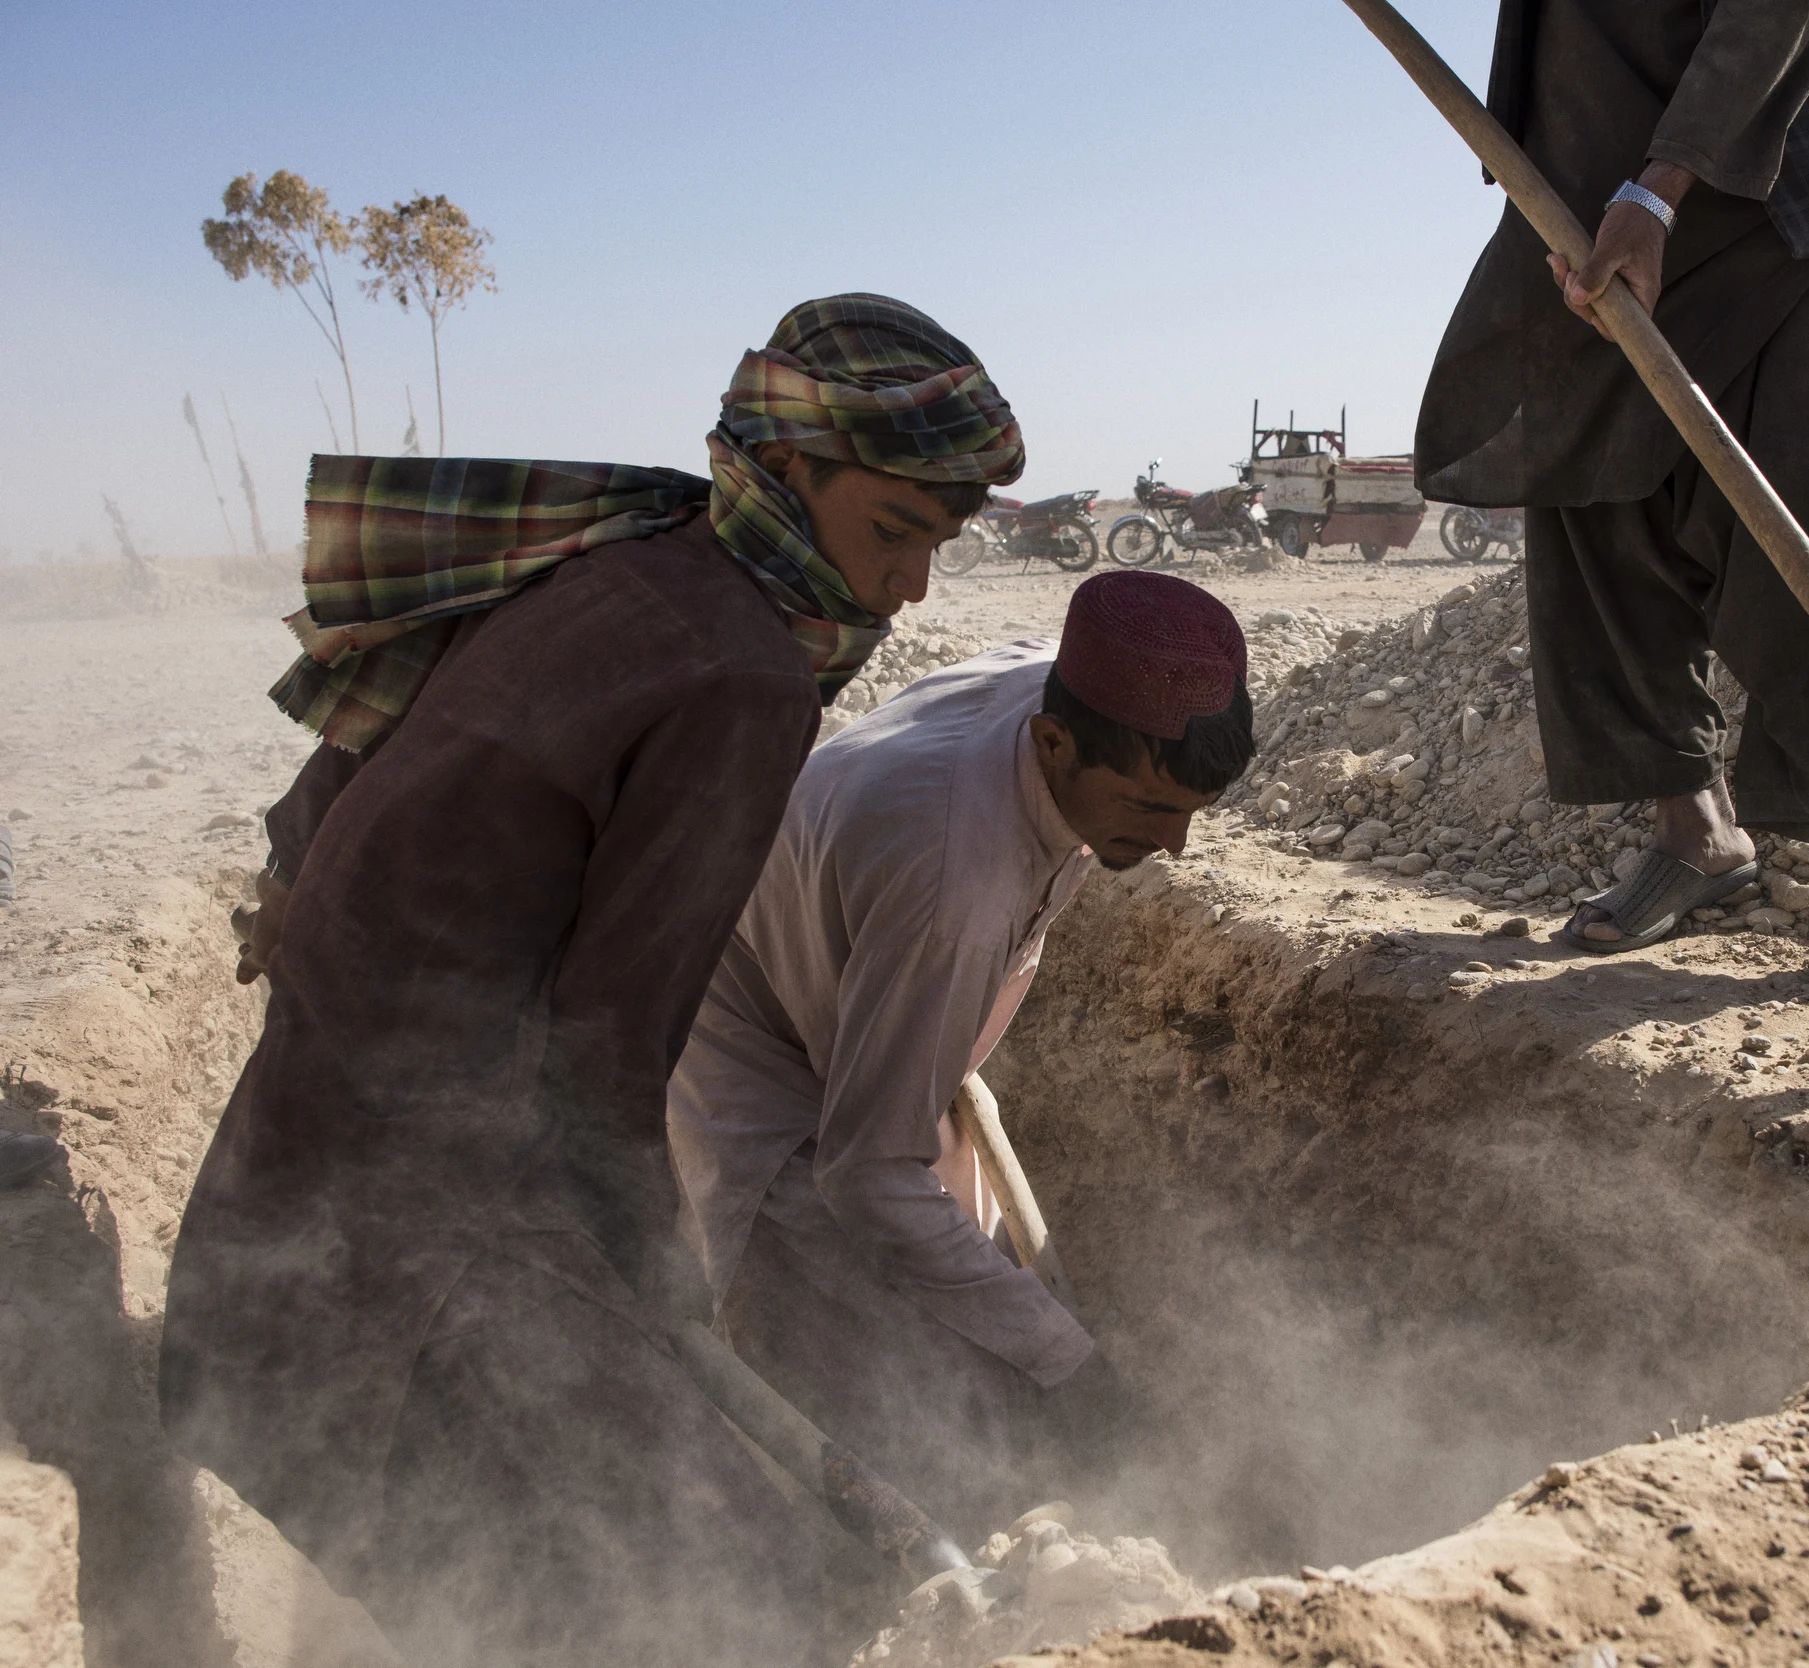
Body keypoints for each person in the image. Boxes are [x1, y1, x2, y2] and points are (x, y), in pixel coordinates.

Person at [159, 294, 1021, 1668]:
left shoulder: (624, 558)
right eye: (895, 531)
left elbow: (345, 775)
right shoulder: (745, 677)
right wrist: (654, 1280)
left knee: (529, 1556)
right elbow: (610, 1051)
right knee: (724, 1584)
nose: (913, 585)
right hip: (444, 1207)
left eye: (940, 543)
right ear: (787, 471)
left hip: (310, 1141)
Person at [666, 570, 1253, 1545]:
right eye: (1150, 807)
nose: (1177, 845)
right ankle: (858, 1581)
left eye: (1193, 809)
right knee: (894, 1395)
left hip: (859, 974)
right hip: (751, 1040)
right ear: (1055, 739)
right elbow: (863, 1174)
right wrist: (1073, 1363)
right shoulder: (954, 885)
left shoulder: (1072, 685)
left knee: (983, 1339)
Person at [1413, 0, 1809, 1021]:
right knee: (1590, 507)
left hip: (1770, 207)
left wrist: (1660, 191)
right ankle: (1694, 832)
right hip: (1586, 212)